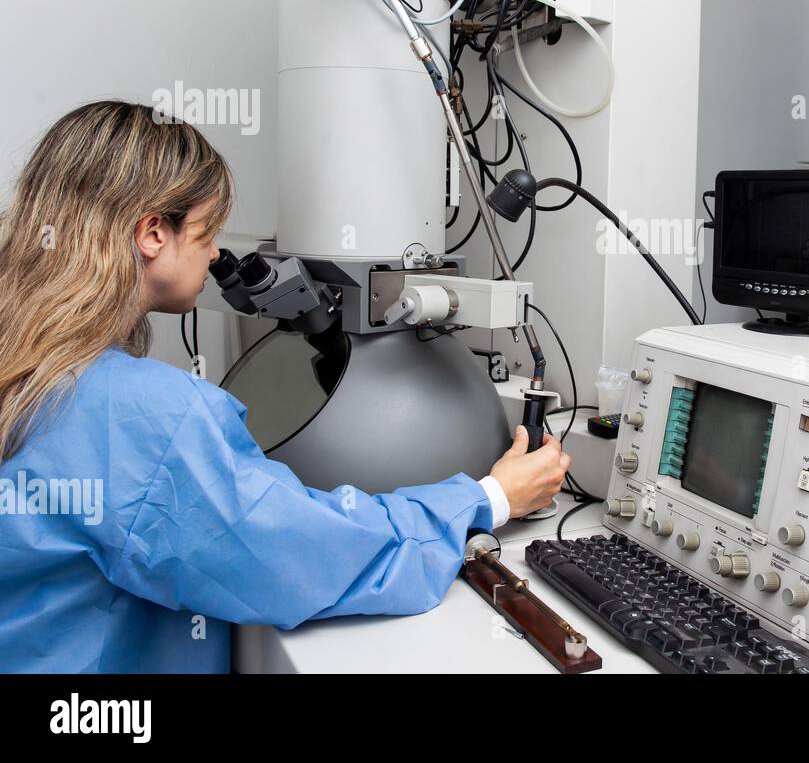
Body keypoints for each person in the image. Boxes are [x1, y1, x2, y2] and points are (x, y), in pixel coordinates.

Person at [0, 100, 570, 672]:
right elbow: (305, 556)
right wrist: (491, 498)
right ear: (152, 233)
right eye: (207, 232)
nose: (217, 253)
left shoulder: (28, 365)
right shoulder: (139, 414)